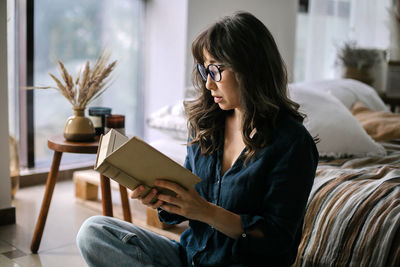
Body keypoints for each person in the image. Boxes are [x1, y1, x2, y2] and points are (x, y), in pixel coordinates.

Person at [76, 11, 319, 267]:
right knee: (94, 232)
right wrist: (163, 201)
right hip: (189, 258)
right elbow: (187, 200)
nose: (208, 85)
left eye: (216, 70)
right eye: (205, 71)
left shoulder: (292, 144)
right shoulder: (206, 124)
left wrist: (205, 211)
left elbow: (277, 239)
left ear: (250, 68)